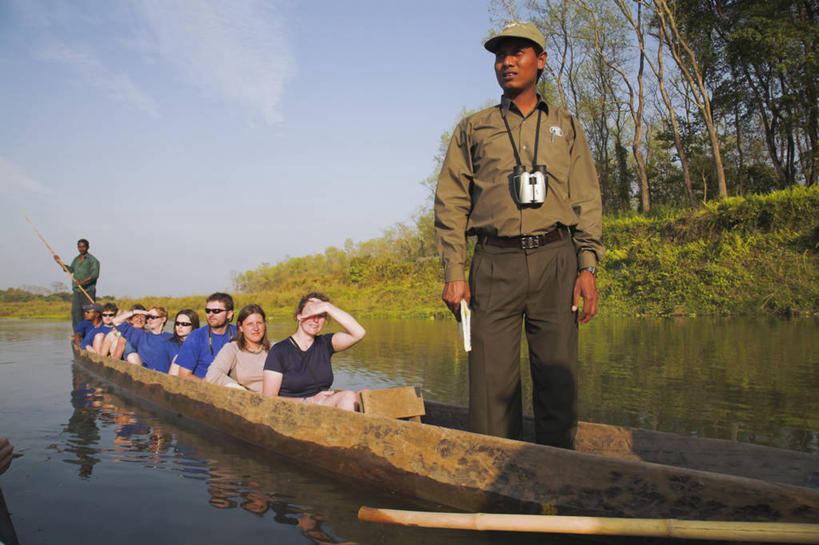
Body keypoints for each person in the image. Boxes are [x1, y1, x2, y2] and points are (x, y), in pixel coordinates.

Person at [434, 21, 604, 449]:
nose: (506, 62)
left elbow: (587, 199)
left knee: (558, 382)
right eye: (500, 55)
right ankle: (496, 476)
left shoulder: (566, 126)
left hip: (557, 260)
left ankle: (557, 473)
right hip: (494, 263)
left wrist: (587, 267)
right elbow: (450, 202)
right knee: (490, 391)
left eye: (517, 53)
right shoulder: (474, 128)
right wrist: (454, 273)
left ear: (540, 61)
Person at [262, 293, 365, 411]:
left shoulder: (326, 343)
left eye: (321, 315)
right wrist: (309, 400)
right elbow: (268, 399)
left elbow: (359, 333)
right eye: (311, 313)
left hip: (323, 407)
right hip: (293, 410)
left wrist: (327, 306)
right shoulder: (279, 350)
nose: (316, 320)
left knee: (359, 395)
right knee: (348, 396)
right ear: (299, 316)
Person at [205, 304, 270, 392]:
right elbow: (212, 375)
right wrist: (243, 390)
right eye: (250, 324)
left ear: (264, 325)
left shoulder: (275, 349)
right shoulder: (232, 348)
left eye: (259, 323)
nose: (255, 328)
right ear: (240, 327)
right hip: (243, 397)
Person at [175, 293, 236, 380]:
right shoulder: (196, 336)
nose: (210, 315)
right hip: (203, 385)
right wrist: (210, 385)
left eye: (216, 311)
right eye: (208, 311)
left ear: (229, 314)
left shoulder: (240, 334)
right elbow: (184, 375)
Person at [106, 307, 173, 371]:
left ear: (163, 319)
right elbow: (115, 321)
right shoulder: (141, 335)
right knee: (132, 356)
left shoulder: (171, 338)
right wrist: (136, 312)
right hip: (145, 373)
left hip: (164, 374)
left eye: (153, 317)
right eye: (148, 317)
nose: (149, 320)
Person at [54, 238, 100, 329]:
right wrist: (59, 262)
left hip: (87, 291)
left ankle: (89, 332)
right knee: (76, 313)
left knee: (89, 313)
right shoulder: (76, 259)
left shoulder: (92, 260)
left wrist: (82, 282)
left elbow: (94, 275)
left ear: (88, 247)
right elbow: (70, 270)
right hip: (77, 291)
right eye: (79, 247)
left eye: (83, 247)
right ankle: (77, 333)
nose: (81, 249)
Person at [166, 309, 200, 376]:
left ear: (193, 325)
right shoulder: (167, 344)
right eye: (177, 323)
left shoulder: (200, 346)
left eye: (184, 324)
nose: (180, 326)